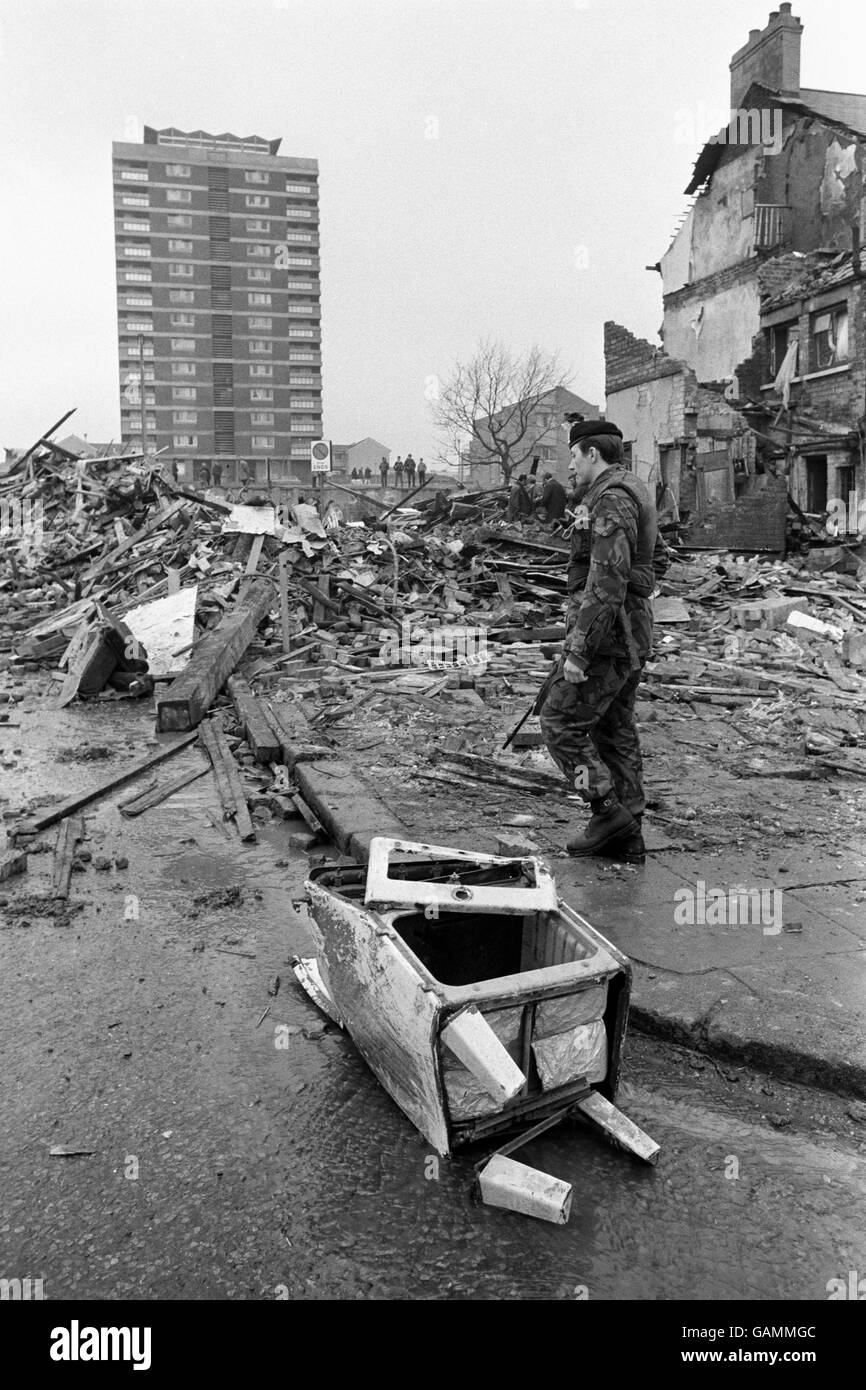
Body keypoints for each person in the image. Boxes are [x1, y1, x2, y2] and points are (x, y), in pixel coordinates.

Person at [539, 419, 668, 864]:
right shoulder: (632, 490)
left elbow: (605, 582)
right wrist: (637, 584)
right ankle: (627, 835)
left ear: (592, 453)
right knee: (614, 732)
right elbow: (657, 559)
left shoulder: (610, 500)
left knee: (558, 724)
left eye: (574, 456)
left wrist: (578, 649)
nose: (570, 466)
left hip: (607, 640)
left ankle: (604, 809)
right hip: (630, 635)